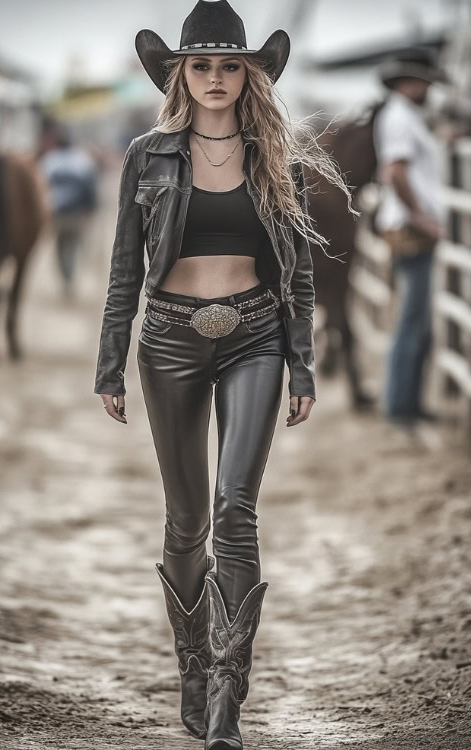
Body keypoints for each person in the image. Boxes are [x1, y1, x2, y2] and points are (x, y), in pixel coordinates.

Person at [93, 1, 355, 747]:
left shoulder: (278, 161)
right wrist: (110, 360)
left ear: (250, 74)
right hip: (170, 340)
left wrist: (301, 364)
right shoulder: (148, 155)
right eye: (200, 65)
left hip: (255, 337)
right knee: (188, 522)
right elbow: (123, 269)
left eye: (228, 65)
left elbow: (298, 274)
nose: (214, 77)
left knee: (237, 509)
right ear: (180, 73)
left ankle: (225, 701)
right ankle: (192, 666)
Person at [373, 48, 448, 429]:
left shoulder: (400, 115)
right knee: (412, 320)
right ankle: (402, 408)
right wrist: (422, 217)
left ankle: (407, 404)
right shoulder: (401, 117)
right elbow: (396, 172)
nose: (429, 89)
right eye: (425, 82)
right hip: (410, 228)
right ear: (412, 81)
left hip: (406, 226)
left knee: (416, 319)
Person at [39, 125, 98, 294]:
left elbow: (42, 187)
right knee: (73, 247)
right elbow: (90, 188)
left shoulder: (50, 161)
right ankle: (69, 278)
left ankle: (65, 277)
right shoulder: (83, 160)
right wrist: (91, 209)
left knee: (60, 247)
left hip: (57, 213)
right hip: (77, 213)